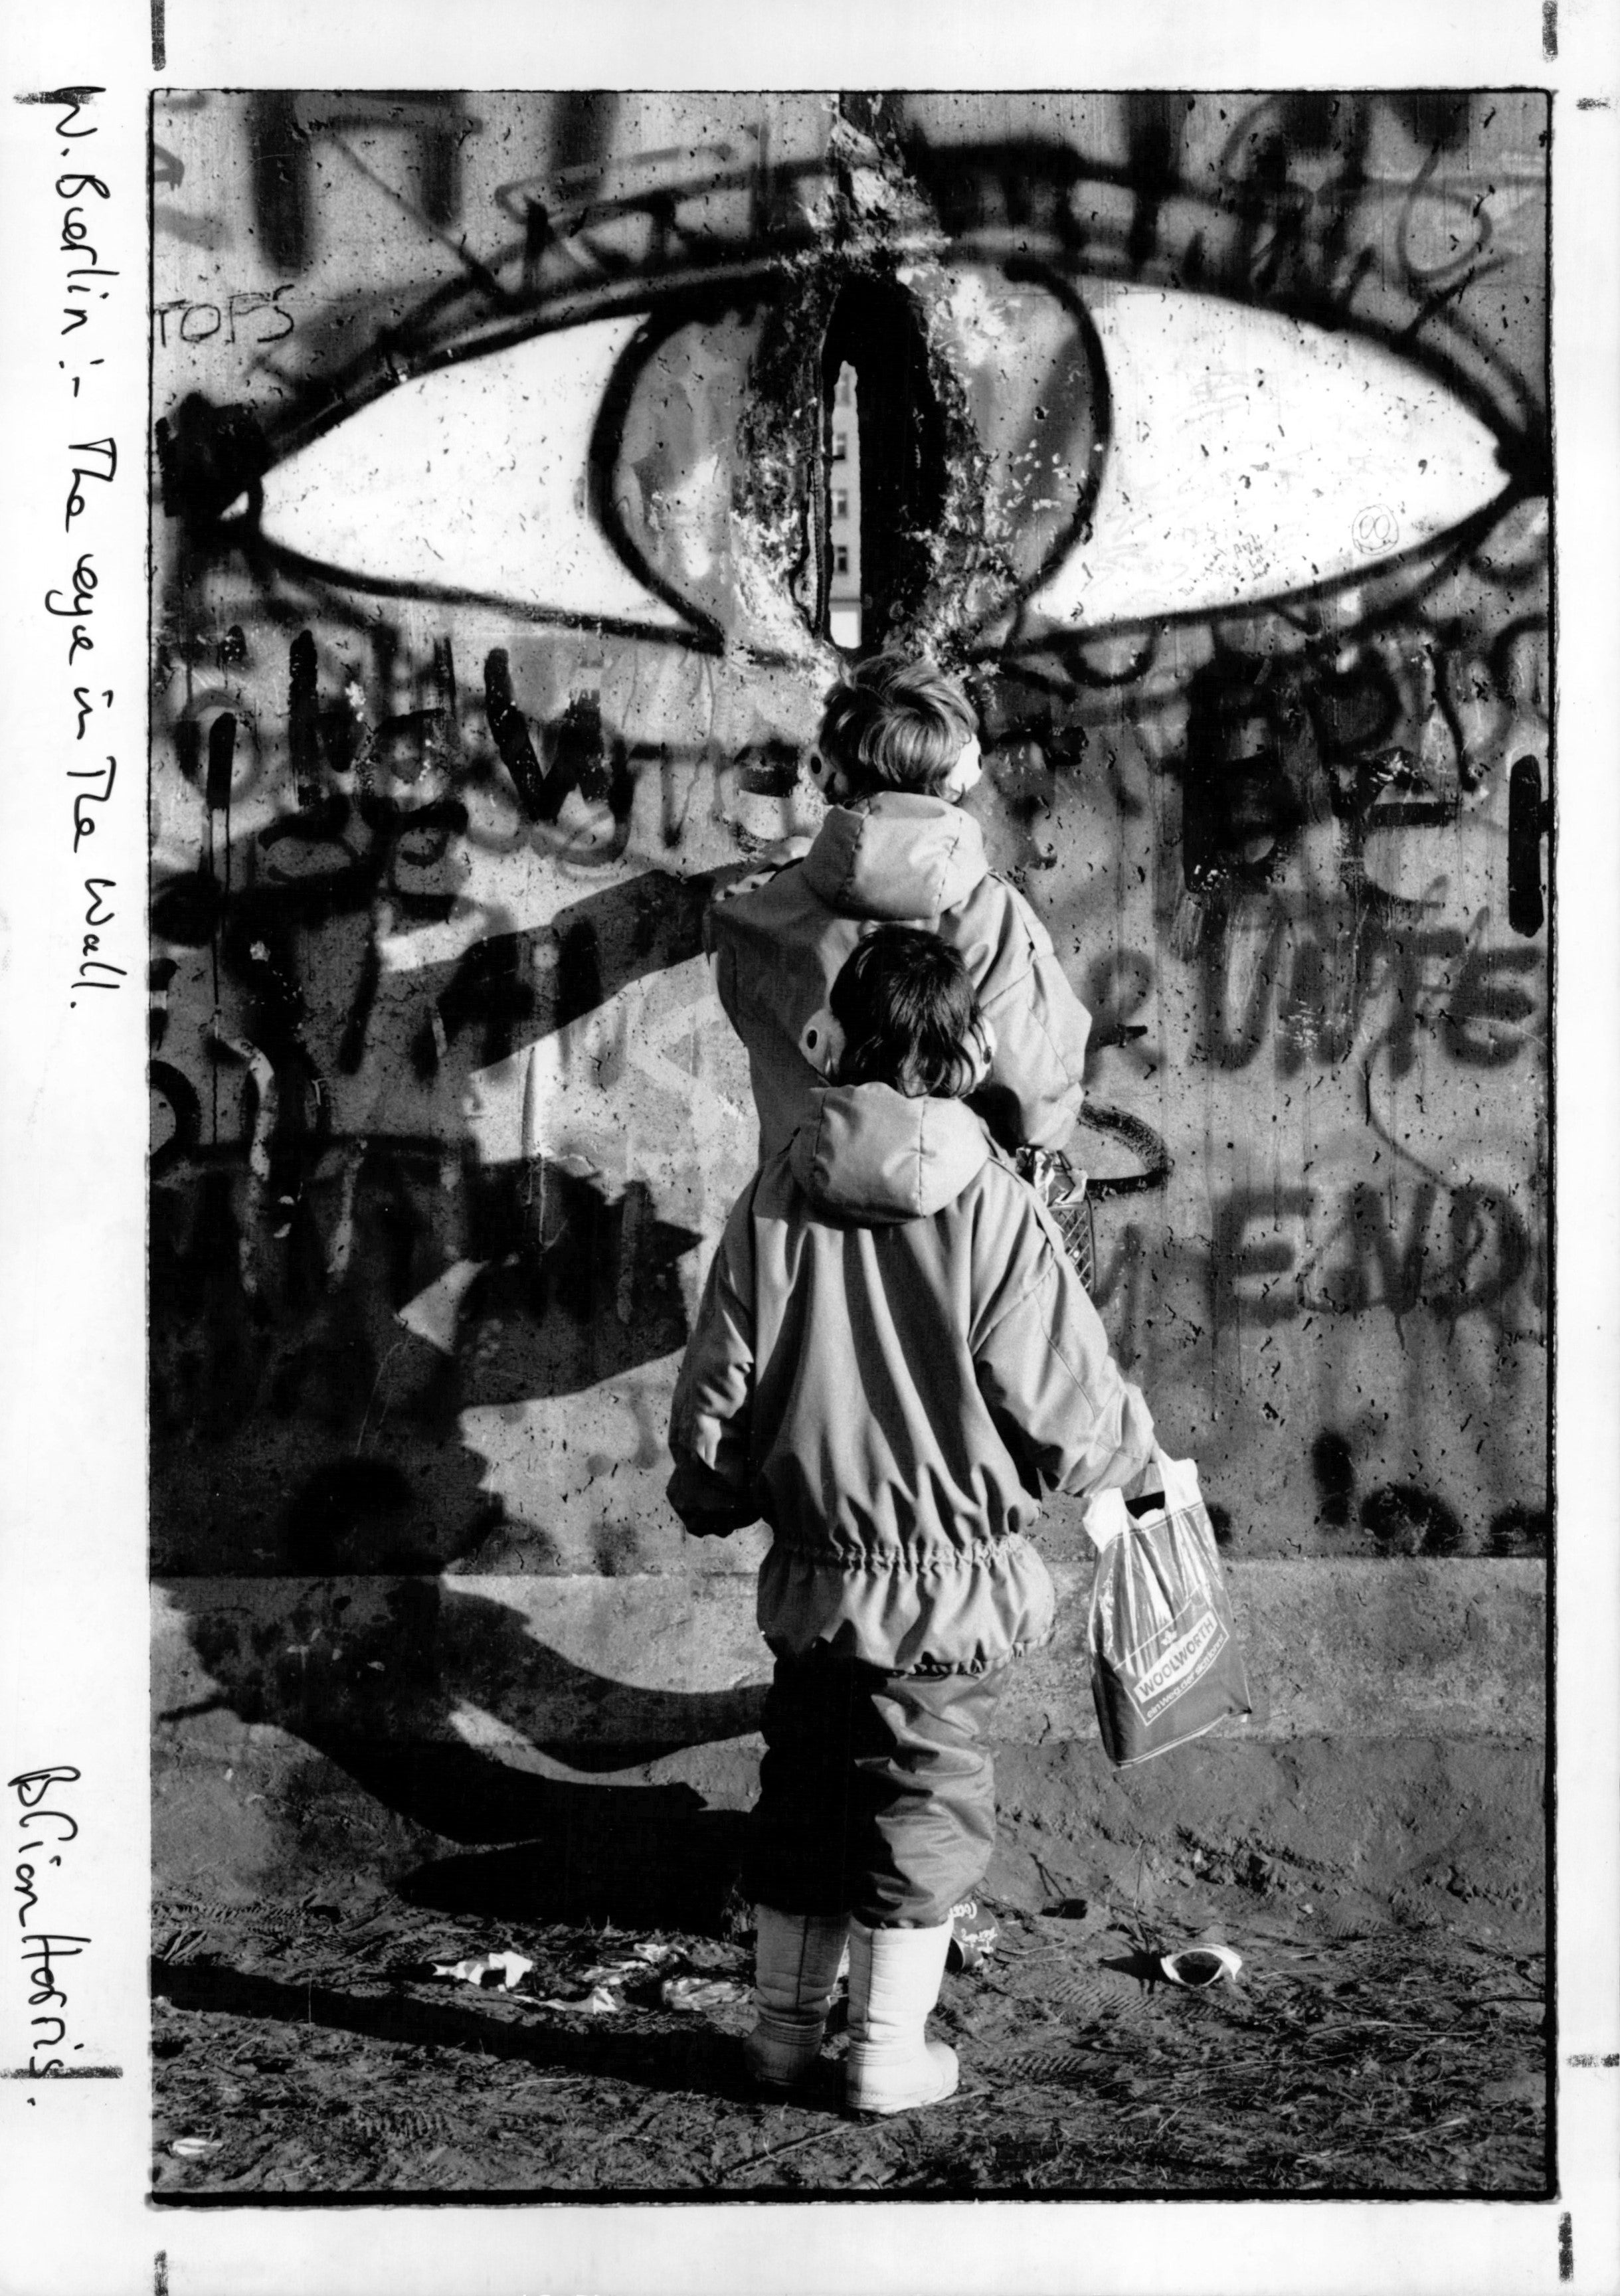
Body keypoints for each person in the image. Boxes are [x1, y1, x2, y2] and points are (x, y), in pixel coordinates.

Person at [667, 927, 1158, 2115]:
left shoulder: (777, 1189)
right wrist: (1133, 1474)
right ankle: (886, 2051)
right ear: (970, 1055)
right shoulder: (993, 1205)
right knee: (920, 1799)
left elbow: (722, 1371)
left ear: (832, 1038)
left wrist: (711, 1489)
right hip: (942, 1584)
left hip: (816, 1576)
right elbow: (1061, 1390)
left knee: (803, 1790)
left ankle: (781, 2037)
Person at [707, 651, 1094, 1169]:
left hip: (797, 1216)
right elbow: (1041, 1116)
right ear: (961, 771)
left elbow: (728, 932)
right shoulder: (994, 921)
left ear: (828, 773)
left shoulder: (762, 911)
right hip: (957, 1232)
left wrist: (786, 874)